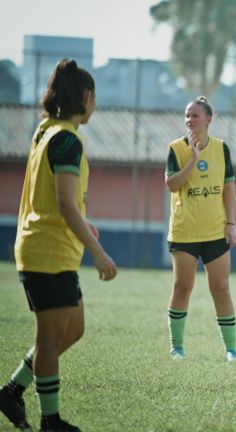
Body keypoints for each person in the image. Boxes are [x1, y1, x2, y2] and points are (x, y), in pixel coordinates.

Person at [0, 59, 117, 432]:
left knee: (73, 329)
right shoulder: (65, 139)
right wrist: (98, 253)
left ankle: (11, 391)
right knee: (50, 340)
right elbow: (64, 203)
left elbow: (59, 197)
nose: (94, 104)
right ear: (85, 97)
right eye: (94, 96)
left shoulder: (45, 130)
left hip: (48, 247)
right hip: (46, 251)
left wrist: (85, 222)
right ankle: (51, 421)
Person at [165, 96, 236, 363]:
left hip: (215, 231)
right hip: (184, 232)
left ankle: (231, 350)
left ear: (209, 119)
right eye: (187, 115)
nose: (190, 120)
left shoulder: (222, 148)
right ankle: (177, 347)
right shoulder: (175, 149)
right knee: (182, 287)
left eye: (195, 115)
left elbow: (228, 187)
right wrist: (193, 160)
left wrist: (230, 223)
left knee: (221, 288)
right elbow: (173, 185)